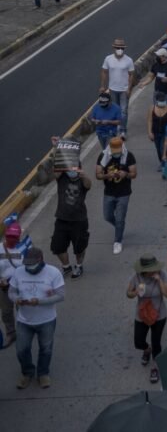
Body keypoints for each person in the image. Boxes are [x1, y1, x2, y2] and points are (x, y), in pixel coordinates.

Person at [9, 247, 64, 389]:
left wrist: (39, 302)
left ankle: (43, 373)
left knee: (46, 348)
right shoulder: (18, 272)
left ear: (41, 260)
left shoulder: (53, 273)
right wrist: (16, 299)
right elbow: (11, 292)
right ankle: (27, 372)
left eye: (32, 264)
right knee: (21, 349)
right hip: (24, 320)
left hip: (47, 320)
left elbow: (60, 296)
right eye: (27, 264)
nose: (29, 267)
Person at [125, 254, 167, 383]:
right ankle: (147, 349)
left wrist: (159, 280)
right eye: (151, 269)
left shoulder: (161, 275)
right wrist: (135, 292)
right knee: (138, 341)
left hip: (159, 314)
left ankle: (155, 367)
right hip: (142, 314)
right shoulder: (136, 277)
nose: (154, 271)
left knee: (156, 342)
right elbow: (128, 293)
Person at [95, 136, 137, 254]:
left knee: (120, 218)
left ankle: (118, 241)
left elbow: (134, 173)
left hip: (124, 192)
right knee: (107, 216)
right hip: (109, 191)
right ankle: (120, 226)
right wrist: (107, 176)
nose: (117, 154)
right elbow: (98, 175)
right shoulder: (103, 156)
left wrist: (126, 174)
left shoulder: (129, 156)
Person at [51, 165, 91, 278]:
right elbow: (55, 174)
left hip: (79, 220)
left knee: (79, 247)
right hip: (62, 219)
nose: (71, 171)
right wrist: (62, 165)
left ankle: (79, 266)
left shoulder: (82, 179)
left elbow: (88, 184)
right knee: (57, 246)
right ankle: (66, 266)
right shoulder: (62, 177)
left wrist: (83, 175)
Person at [100, 38, 135, 134]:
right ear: (114, 48)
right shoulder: (108, 59)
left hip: (124, 90)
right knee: (115, 110)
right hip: (112, 89)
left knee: (123, 111)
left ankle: (123, 130)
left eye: (122, 48)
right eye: (118, 47)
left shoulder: (129, 60)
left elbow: (131, 75)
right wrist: (102, 86)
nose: (120, 49)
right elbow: (104, 72)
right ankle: (116, 127)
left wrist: (129, 88)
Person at [0, 223, 25, 347]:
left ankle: (24, 332)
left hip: (19, 286)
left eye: (14, 236)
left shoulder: (23, 250)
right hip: (4, 287)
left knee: (22, 310)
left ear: (19, 237)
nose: (11, 238)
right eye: (9, 236)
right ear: (5, 236)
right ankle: (11, 333)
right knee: (6, 312)